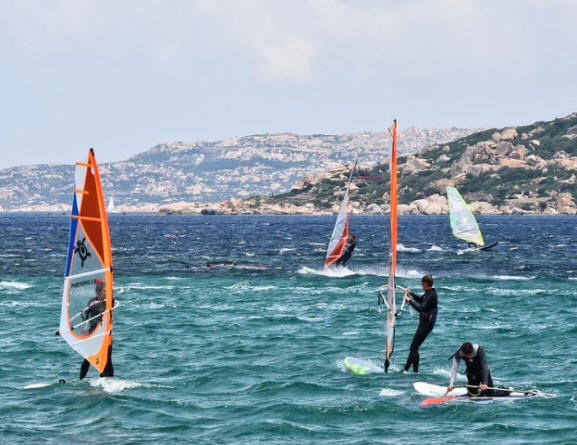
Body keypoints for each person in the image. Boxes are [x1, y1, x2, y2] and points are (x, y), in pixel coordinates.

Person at [401, 274, 438, 372]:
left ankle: (414, 371)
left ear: (425, 283)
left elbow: (421, 309)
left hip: (427, 324)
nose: (421, 285)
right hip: (426, 323)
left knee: (414, 347)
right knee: (414, 347)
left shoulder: (430, 294)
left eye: (422, 283)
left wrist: (409, 301)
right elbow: (421, 300)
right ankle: (406, 369)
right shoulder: (429, 292)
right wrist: (411, 293)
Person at [79, 279, 114, 380]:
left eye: (108, 291)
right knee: (88, 357)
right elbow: (92, 310)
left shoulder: (109, 301)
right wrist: (95, 304)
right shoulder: (92, 301)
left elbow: (109, 305)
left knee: (108, 358)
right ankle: (81, 378)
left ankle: (107, 378)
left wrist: (104, 302)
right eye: (104, 291)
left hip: (106, 334)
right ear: (98, 292)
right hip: (94, 333)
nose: (106, 293)